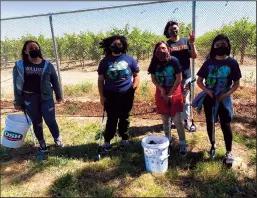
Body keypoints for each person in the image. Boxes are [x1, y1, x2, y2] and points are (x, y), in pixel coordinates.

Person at [193, 34, 242, 164]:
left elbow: (236, 84)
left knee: (225, 124)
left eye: (224, 44)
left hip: (224, 99)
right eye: (218, 45)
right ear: (214, 47)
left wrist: (225, 95)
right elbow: (199, 81)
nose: (221, 46)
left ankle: (229, 152)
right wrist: (208, 92)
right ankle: (213, 146)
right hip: (210, 98)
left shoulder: (232, 63)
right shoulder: (209, 62)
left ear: (228, 46)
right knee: (210, 122)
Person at [13, 40, 64, 153]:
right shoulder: (20, 65)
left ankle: (57, 138)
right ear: (26, 51)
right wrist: (17, 102)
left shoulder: (47, 65)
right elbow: (16, 85)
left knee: (50, 120)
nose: (34, 50)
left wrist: (59, 95)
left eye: (36, 48)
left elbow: (55, 81)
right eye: (31, 49)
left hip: (46, 98)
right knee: (37, 122)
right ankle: (42, 143)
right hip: (29, 98)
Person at [97, 35, 140, 151]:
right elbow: (101, 80)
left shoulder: (129, 60)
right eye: (114, 45)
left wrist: (133, 88)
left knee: (124, 118)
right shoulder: (105, 62)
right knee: (111, 118)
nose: (117, 46)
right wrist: (101, 95)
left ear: (123, 45)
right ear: (110, 46)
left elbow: (136, 75)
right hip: (110, 95)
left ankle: (124, 138)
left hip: (126, 94)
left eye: (119, 44)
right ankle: (107, 141)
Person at [148, 41, 187, 156]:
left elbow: (179, 78)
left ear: (168, 49)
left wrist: (170, 93)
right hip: (161, 92)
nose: (161, 51)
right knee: (165, 119)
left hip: (174, 90)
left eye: (163, 48)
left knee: (177, 120)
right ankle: (167, 141)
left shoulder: (174, 61)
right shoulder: (154, 62)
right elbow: (153, 78)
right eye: (158, 49)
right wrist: (161, 89)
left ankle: (183, 144)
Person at [164, 20, 198, 131]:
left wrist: (192, 44)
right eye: (171, 29)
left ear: (178, 28)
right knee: (173, 99)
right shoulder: (167, 44)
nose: (173, 30)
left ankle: (186, 120)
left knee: (185, 99)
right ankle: (173, 120)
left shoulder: (186, 41)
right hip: (172, 77)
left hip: (185, 76)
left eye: (175, 28)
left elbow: (194, 56)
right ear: (168, 31)